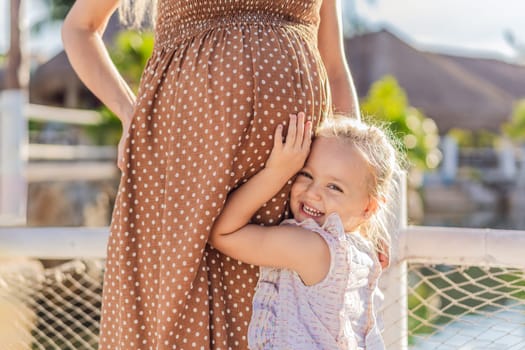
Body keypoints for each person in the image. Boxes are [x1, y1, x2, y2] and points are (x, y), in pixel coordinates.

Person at [62, 0, 359, 348]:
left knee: (279, 314)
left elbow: (334, 67)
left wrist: (356, 184)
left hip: (294, 180)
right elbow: (79, 28)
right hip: (180, 166)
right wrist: (131, 114)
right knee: (179, 309)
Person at [210, 113, 401, 349]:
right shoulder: (362, 253)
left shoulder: (311, 248)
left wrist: (275, 173)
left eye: (334, 187)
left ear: (369, 207)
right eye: (306, 174)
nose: (312, 192)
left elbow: (223, 234)